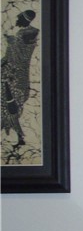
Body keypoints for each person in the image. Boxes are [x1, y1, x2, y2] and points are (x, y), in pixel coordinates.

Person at [2, 9, 40, 148]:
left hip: (18, 78)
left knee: (12, 106)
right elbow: (8, 57)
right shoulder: (19, 34)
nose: (17, 20)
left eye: (19, 18)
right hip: (8, 73)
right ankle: (19, 137)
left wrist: (12, 43)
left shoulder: (31, 32)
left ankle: (20, 137)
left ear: (25, 19)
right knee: (5, 106)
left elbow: (23, 58)